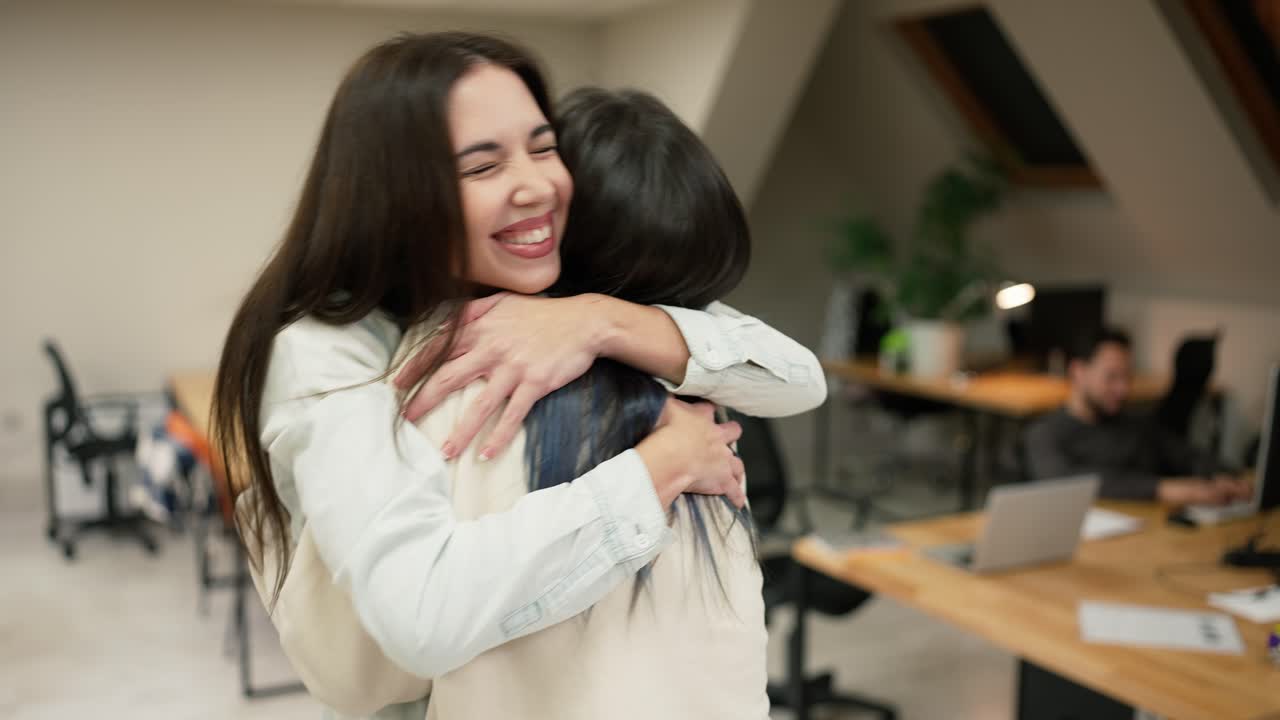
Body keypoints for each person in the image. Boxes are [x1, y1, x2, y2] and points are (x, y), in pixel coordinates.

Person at [215, 32, 823, 718]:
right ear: (396, 196)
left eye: (542, 147)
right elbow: (421, 617)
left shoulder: (576, 321)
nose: (537, 186)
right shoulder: (339, 358)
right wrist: (659, 468)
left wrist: (598, 321)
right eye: (483, 165)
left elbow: (799, 376)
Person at [1025, 328, 1251, 505]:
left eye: (1127, 377)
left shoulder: (1135, 423)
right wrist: (1163, 489)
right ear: (1078, 371)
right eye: (1112, 377)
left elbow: (1185, 455)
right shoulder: (1045, 434)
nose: (1123, 389)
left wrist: (1223, 476)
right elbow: (1065, 483)